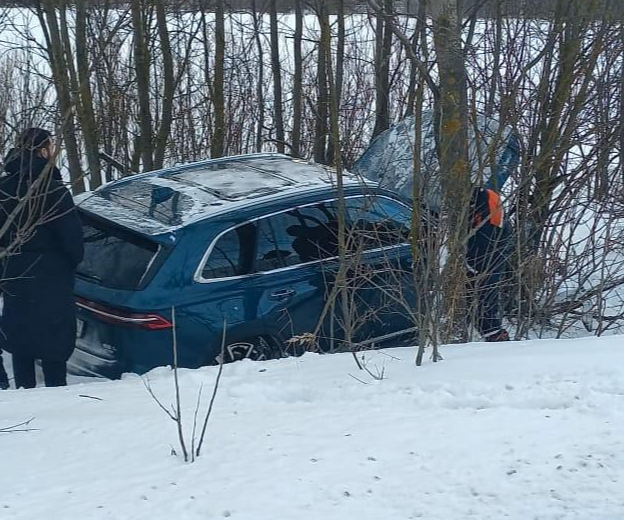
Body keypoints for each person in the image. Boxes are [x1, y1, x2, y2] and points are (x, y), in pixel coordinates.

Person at [0, 128, 84, 388]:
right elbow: (72, 239)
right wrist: (69, 263)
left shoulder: (3, 188)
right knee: (53, 336)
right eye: (51, 147)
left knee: (20, 333)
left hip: (12, 270)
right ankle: (56, 390)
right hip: (51, 273)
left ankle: (25, 388)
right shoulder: (53, 191)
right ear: (42, 151)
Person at [466, 186, 510, 342]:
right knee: (484, 298)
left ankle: (495, 339)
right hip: (486, 255)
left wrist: (473, 264)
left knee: (485, 298)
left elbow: (488, 237)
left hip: (488, 258)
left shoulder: (488, 201)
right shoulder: (485, 197)